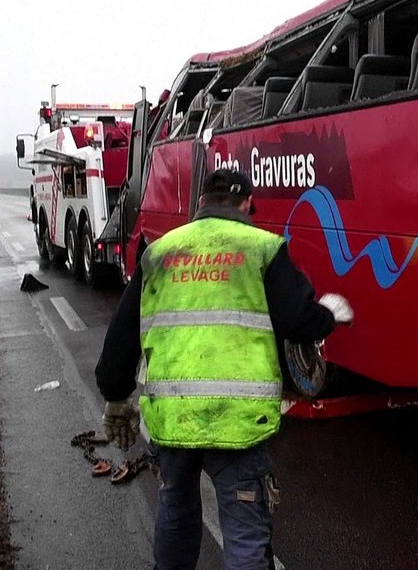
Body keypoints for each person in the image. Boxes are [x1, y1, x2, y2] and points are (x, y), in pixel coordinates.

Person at [95, 167, 353, 570]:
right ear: (247, 204)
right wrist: (329, 315)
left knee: (176, 509)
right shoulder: (262, 247)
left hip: (174, 417)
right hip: (238, 420)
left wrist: (115, 396)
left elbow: (123, 332)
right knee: (245, 532)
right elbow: (298, 320)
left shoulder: (160, 252)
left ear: (200, 203)